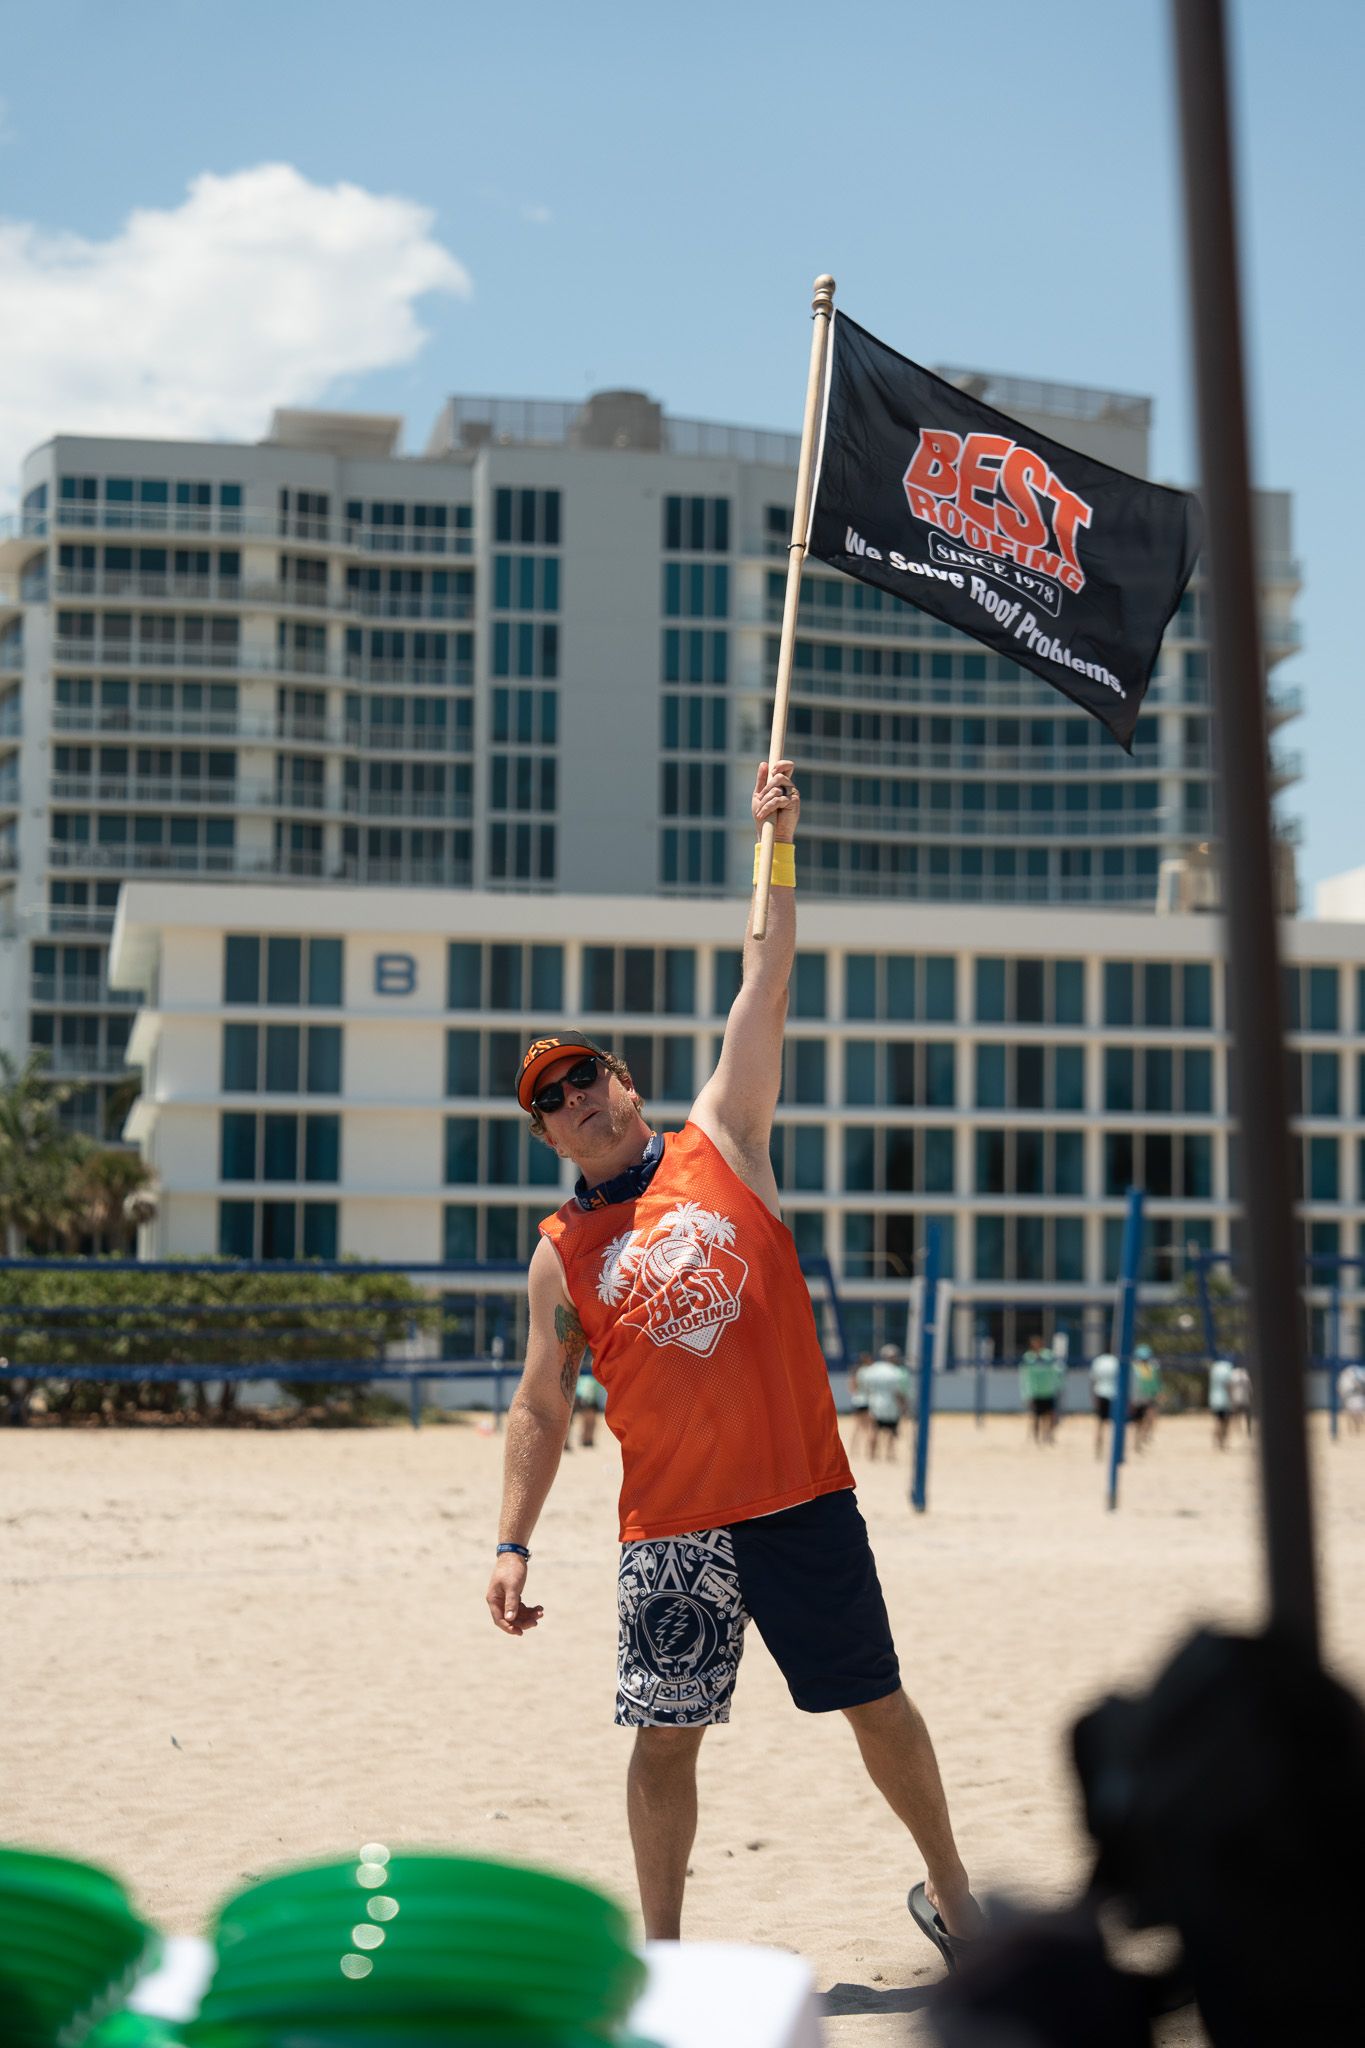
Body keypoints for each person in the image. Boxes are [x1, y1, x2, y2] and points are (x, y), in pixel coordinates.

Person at [485, 759, 980, 1965]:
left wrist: (779, 840)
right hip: (671, 1528)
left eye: (586, 1074)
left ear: (625, 1080)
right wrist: (510, 1539)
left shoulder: (724, 1133)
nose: (578, 1100)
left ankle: (961, 1901)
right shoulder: (561, 1253)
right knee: (664, 1738)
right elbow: (541, 1405)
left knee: (876, 1704)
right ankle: (664, 1957)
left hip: (802, 1495)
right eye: (552, 1099)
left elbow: (765, 972)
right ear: (544, 1132)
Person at [859, 1343, 911, 1461]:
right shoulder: (896, 1372)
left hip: (875, 1404)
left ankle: (872, 1455)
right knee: (891, 1432)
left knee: (874, 1430)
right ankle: (889, 1455)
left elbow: (864, 1387)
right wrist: (904, 1407)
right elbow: (899, 1392)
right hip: (891, 1407)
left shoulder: (872, 1370)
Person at [1019, 1335, 1060, 1445]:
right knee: (1036, 1417)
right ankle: (1036, 1439)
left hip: (1048, 1391)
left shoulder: (1048, 1355)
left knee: (1050, 1416)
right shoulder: (1028, 1357)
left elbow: (1057, 1369)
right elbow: (1024, 1376)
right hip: (1035, 1392)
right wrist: (1026, 1393)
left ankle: (1048, 1435)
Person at [1089, 1350, 1119, 1460]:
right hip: (1114, 1395)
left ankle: (1098, 1451)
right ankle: (1113, 1452)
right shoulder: (1116, 1361)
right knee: (1114, 1426)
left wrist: (1093, 1395)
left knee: (1100, 1425)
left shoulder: (1098, 1361)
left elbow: (1093, 1379)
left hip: (1100, 1393)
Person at [1130, 1344, 1161, 1451]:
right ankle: (1138, 1442)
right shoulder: (1135, 1369)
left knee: (1149, 1419)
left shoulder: (1151, 1368)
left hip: (1147, 1397)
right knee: (1140, 1422)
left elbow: (1155, 1383)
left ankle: (1143, 1438)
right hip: (1139, 1398)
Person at [573, 1362, 607, 1447]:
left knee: (590, 1420)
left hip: (591, 1393)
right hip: (587, 1393)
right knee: (588, 1420)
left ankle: (588, 1440)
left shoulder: (591, 1371)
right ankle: (586, 1439)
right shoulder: (586, 1372)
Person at [1208, 1356, 1234, 1450]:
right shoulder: (1228, 1369)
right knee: (1225, 1422)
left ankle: (1216, 1442)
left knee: (1217, 1421)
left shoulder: (1214, 1370)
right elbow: (1229, 1386)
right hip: (1225, 1401)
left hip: (1214, 1400)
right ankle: (1223, 1442)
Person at [1336, 1362, 1365, 1436]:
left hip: (1357, 1397)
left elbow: (1361, 1388)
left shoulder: (1359, 1376)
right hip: (1350, 1397)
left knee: (1358, 1413)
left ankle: (1357, 1428)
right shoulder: (1346, 1378)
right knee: (1351, 1414)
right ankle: (1352, 1429)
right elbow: (1341, 1389)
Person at [1227, 1360, 1253, 1436]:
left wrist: (1230, 1397)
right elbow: (1250, 1388)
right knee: (1246, 1415)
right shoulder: (1245, 1375)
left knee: (1236, 1415)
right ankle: (1247, 1430)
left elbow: (1229, 1387)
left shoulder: (1233, 1374)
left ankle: (1237, 1429)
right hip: (1244, 1398)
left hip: (1236, 1398)